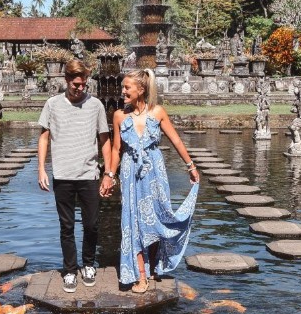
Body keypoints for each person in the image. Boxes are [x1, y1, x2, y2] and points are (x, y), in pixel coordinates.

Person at [104, 69, 200, 294]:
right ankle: (141, 276)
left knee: (157, 215)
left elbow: (175, 139)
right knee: (133, 221)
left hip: (155, 172)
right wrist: (109, 176)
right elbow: (117, 149)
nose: (123, 91)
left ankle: (156, 263)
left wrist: (191, 166)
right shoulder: (119, 116)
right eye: (123, 87)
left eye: (127, 87)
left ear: (141, 89)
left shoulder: (158, 113)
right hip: (130, 173)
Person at [38, 59, 110, 294]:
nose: (80, 88)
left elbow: (104, 140)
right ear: (67, 80)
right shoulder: (52, 104)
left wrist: (108, 172)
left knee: (91, 225)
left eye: (83, 84)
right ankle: (70, 270)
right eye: (76, 84)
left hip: (89, 173)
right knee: (66, 226)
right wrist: (41, 169)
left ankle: (88, 264)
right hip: (63, 173)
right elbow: (44, 137)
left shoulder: (96, 105)